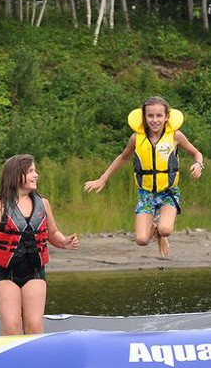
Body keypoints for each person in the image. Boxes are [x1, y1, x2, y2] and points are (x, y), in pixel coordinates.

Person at [0, 154, 79, 335]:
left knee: (34, 326)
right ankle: (10, 362)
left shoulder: (43, 203)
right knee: (12, 326)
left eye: (35, 170)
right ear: (16, 175)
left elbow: (52, 233)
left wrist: (64, 241)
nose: (36, 175)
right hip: (5, 273)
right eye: (30, 171)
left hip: (35, 271)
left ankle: (35, 362)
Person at [84, 96, 204, 257]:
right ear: (144, 117)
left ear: (167, 116)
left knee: (166, 229)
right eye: (150, 116)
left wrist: (198, 164)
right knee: (141, 240)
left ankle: (161, 233)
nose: (155, 120)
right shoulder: (136, 138)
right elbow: (122, 157)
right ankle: (154, 229)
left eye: (159, 116)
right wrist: (102, 179)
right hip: (146, 194)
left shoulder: (175, 136)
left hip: (168, 192)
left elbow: (196, 153)